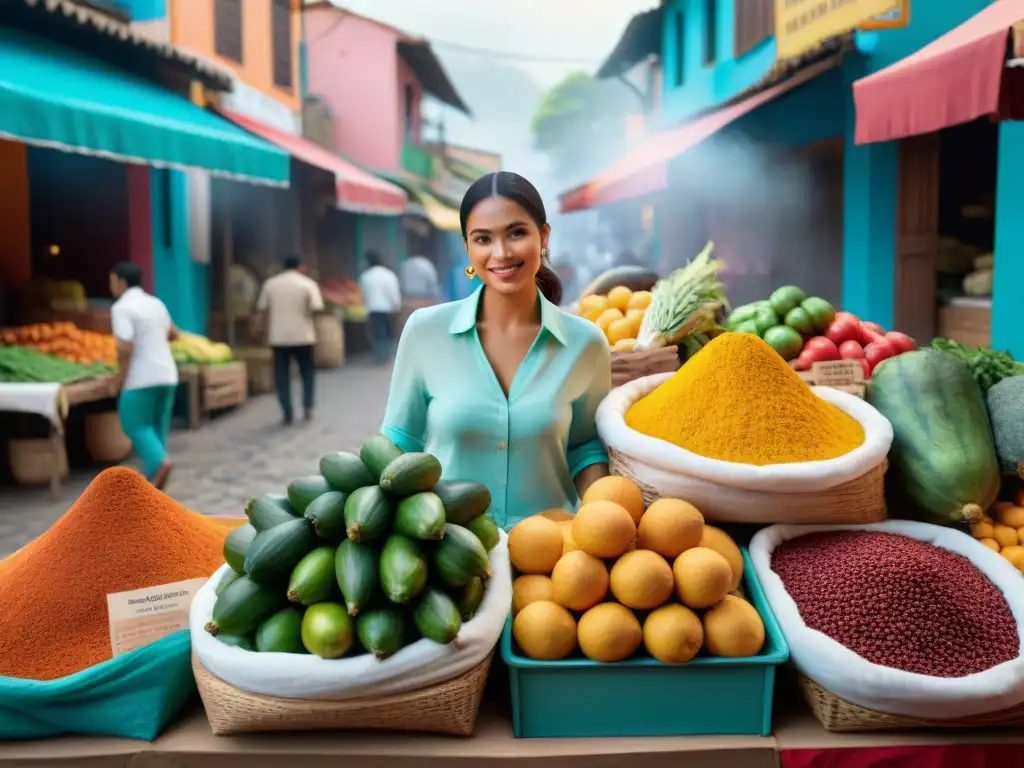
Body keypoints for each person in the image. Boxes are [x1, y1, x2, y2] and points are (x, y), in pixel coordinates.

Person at [381, 171, 611, 528]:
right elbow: (398, 446)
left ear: (544, 236)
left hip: (551, 562)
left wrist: (602, 525)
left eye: (516, 233)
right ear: (468, 249)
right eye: (483, 239)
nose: (501, 253)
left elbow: (585, 448)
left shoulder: (587, 343)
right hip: (449, 556)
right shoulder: (425, 332)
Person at [109, 262, 179, 489]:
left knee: (133, 423)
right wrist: (154, 340)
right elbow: (174, 333)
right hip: (168, 374)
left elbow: (124, 347)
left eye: (112, 281)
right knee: (157, 427)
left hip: (141, 377)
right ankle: (156, 485)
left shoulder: (121, 308)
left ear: (121, 281)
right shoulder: (155, 303)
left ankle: (160, 463)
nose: (111, 287)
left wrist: (122, 378)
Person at [255, 254, 324, 425]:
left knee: (281, 376)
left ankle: (287, 411)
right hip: (304, 337)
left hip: (278, 338)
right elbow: (317, 308)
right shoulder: (308, 284)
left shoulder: (271, 284)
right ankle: (307, 407)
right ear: (301, 267)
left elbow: (262, 310)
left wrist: (258, 330)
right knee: (307, 373)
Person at [359, 251, 401, 363]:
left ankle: (380, 355)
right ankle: (387, 354)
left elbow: (363, 294)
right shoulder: (388, 274)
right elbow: (393, 292)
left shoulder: (366, 276)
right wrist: (396, 305)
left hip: (372, 308)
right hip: (388, 308)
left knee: (377, 333)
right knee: (388, 332)